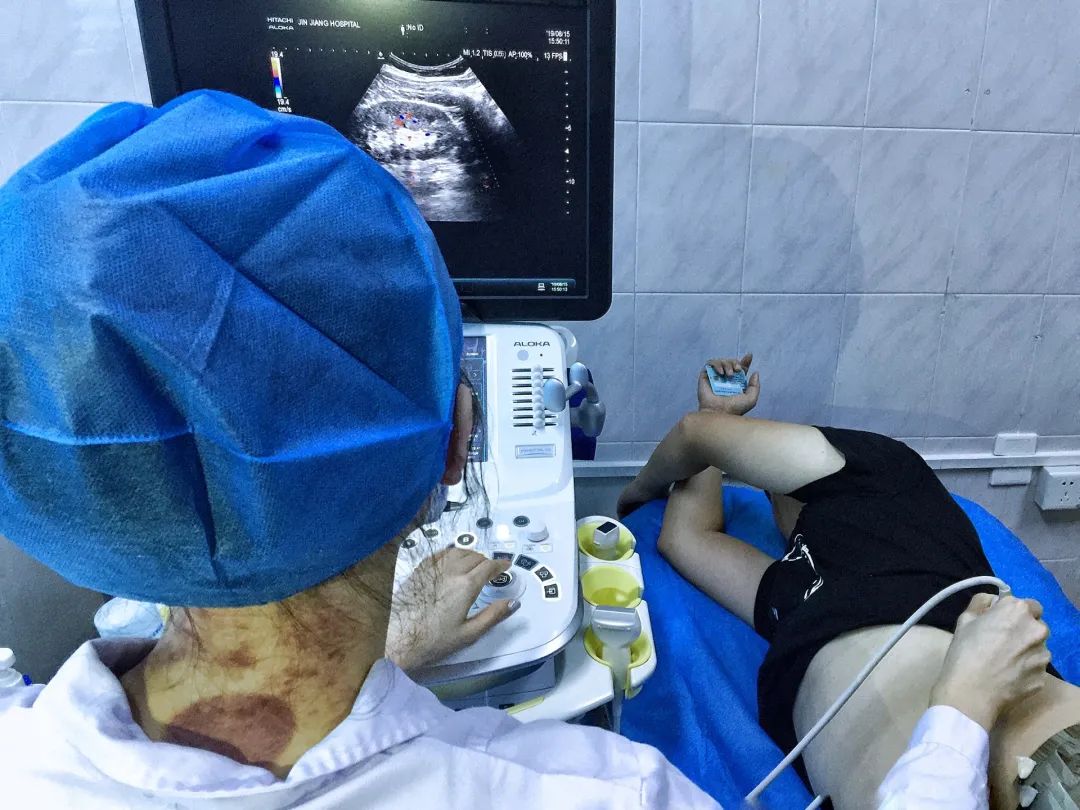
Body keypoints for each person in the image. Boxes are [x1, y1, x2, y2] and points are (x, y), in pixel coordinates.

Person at [0, 91, 1060, 810]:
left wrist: (391, 659)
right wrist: (958, 717)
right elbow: (695, 491)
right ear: (458, 441)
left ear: (67, 487)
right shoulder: (598, 791)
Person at [618, 355, 1080, 809]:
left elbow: (694, 436)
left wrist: (636, 493)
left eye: (772, 483)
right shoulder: (788, 588)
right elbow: (685, 539)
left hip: (1039, 742)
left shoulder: (883, 477)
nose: (769, 493)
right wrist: (716, 415)